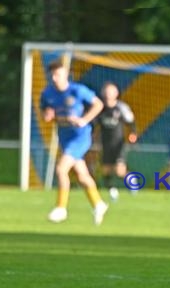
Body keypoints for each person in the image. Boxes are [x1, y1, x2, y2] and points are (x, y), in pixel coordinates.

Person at [40, 59, 108, 225]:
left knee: (61, 169)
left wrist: (84, 119)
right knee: (82, 176)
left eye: (58, 74)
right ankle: (98, 203)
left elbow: (98, 104)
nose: (55, 78)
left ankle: (61, 208)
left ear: (65, 74)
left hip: (80, 137)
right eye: (52, 75)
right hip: (64, 137)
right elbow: (46, 114)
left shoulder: (77, 90)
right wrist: (48, 115)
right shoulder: (47, 94)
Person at [94, 81, 137, 201]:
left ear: (116, 93)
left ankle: (131, 180)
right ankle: (113, 192)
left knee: (119, 170)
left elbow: (131, 122)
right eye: (106, 92)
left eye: (111, 92)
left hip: (119, 144)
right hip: (105, 144)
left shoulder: (121, 108)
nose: (108, 95)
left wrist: (133, 134)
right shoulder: (100, 108)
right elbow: (94, 124)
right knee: (106, 170)